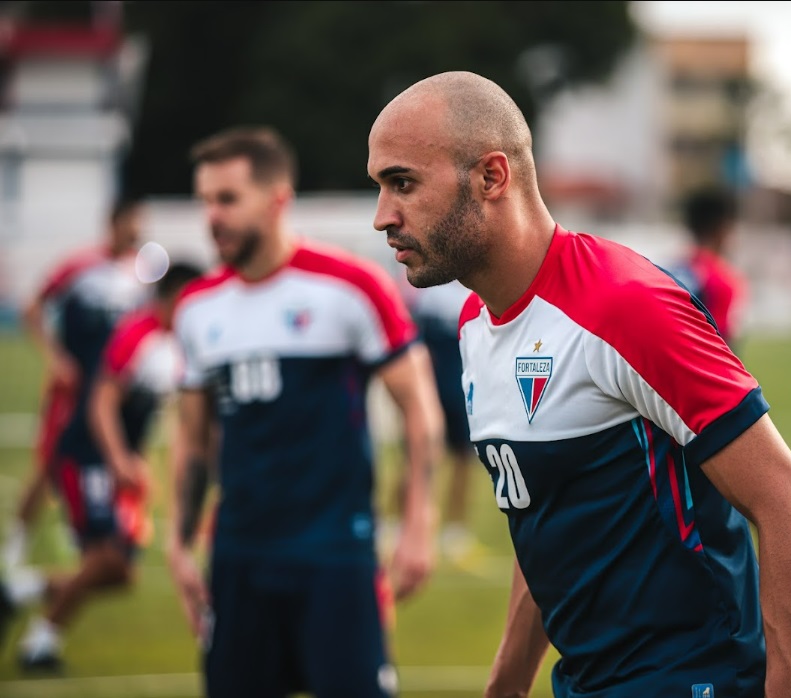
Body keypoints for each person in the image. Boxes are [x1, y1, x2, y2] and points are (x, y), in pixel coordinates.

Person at [368, 71, 791, 698]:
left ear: (492, 177)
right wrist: (505, 685)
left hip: (691, 681)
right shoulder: (476, 324)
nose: (382, 217)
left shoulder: (626, 307)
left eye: (403, 183)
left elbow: (790, 509)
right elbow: (546, 514)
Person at [166, 126, 444, 698]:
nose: (211, 217)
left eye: (227, 199)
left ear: (277, 200)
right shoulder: (196, 308)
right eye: (204, 201)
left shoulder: (351, 287)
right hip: (239, 556)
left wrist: (419, 524)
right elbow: (193, 440)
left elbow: (420, 411)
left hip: (334, 555)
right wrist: (179, 540)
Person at [0, 261, 202, 670]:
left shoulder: (172, 342)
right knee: (107, 557)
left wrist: (138, 462)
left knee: (120, 573)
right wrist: (118, 461)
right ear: (173, 297)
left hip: (114, 461)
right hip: (87, 455)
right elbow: (100, 404)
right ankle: (39, 645)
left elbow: (146, 416)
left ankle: (16, 592)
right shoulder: (137, 335)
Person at [2, 197, 148, 574]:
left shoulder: (142, 272)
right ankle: (18, 537)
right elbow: (32, 308)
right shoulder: (81, 266)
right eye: (132, 222)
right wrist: (55, 358)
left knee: (112, 455)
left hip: (114, 389)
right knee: (54, 460)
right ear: (113, 223)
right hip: (75, 387)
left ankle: (93, 528)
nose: (137, 230)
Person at [401, 278, 485, 564]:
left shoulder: (475, 291)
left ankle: (455, 528)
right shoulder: (426, 290)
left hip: (461, 388)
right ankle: (399, 520)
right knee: (416, 453)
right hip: (430, 388)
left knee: (464, 457)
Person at [668, 185, 748, 354]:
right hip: (701, 370)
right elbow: (723, 343)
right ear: (721, 228)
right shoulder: (724, 279)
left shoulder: (669, 269)